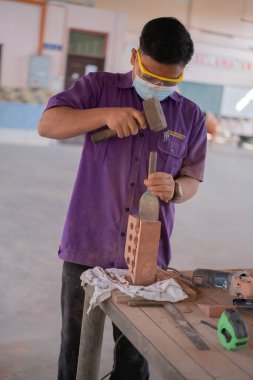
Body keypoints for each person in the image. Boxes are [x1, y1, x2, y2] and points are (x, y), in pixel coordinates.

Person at [38, 17, 207, 380]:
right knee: (75, 344)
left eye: (169, 81)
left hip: (147, 258)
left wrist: (175, 189)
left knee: (136, 351)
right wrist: (103, 115)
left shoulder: (190, 116)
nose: (159, 86)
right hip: (87, 245)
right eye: (152, 76)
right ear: (135, 57)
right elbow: (48, 125)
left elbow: (192, 178)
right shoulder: (98, 87)